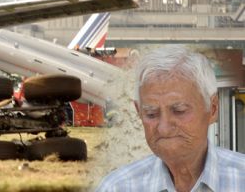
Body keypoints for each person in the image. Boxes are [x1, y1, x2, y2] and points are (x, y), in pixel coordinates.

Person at [96, 45, 245, 192]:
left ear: (213, 109)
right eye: (151, 114)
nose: (164, 128)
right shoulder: (117, 187)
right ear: (139, 112)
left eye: (179, 111)